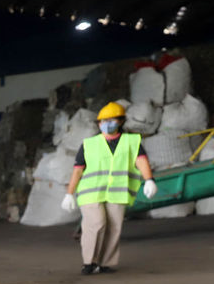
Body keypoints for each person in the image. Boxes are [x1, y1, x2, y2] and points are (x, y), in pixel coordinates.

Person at [62, 101, 156, 275]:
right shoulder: (89, 144)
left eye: (111, 120)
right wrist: (69, 194)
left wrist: (149, 179)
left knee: (114, 227)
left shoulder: (131, 141)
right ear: (98, 124)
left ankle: (105, 263)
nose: (106, 124)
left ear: (120, 121)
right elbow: (78, 170)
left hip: (117, 192)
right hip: (91, 192)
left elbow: (141, 160)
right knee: (96, 223)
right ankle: (89, 262)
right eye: (103, 121)